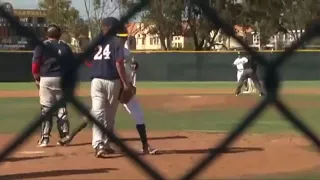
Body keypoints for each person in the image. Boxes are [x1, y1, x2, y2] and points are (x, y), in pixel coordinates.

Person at [89, 17, 134, 158]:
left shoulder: (96, 41)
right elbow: (119, 63)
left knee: (98, 113)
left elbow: (86, 59)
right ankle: (103, 144)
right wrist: (126, 83)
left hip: (96, 80)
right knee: (109, 115)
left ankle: (101, 145)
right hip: (113, 81)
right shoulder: (116, 42)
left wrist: (98, 66)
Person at [32, 24, 71, 147]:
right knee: (61, 108)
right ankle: (64, 137)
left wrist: (37, 78)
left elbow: (35, 65)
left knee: (46, 109)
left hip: (46, 78)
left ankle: (44, 139)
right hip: (61, 78)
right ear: (59, 34)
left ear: (47, 34)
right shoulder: (65, 46)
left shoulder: (42, 45)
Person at [122, 46, 158, 154]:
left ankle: (145, 146)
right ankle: (102, 144)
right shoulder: (119, 50)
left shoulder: (119, 48)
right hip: (119, 87)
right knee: (105, 117)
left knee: (139, 115)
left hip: (121, 88)